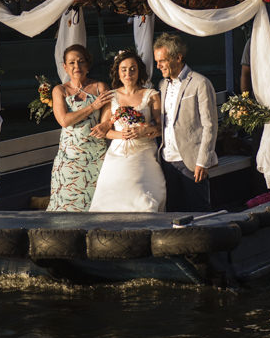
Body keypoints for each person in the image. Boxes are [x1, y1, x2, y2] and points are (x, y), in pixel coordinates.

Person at [88, 51, 165, 212]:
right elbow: (105, 130)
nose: (128, 73)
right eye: (124, 69)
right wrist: (121, 135)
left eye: (132, 69)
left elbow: (160, 128)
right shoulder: (111, 96)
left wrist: (144, 131)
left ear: (139, 71)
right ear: (118, 72)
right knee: (111, 196)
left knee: (141, 194)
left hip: (143, 150)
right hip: (118, 152)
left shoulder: (151, 95)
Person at [154, 33, 218, 212]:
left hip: (191, 162)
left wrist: (202, 161)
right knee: (173, 213)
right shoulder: (162, 84)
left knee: (200, 213)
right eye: (157, 61)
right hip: (167, 159)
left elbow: (209, 125)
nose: (158, 66)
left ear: (178, 57)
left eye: (162, 61)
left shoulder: (200, 83)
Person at [46, 44, 114, 212]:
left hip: (95, 157)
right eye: (72, 63)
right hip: (69, 158)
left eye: (81, 62)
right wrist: (92, 106)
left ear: (88, 65)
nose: (77, 67)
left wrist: (106, 123)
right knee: (65, 207)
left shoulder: (101, 87)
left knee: (96, 205)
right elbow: (64, 120)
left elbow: (107, 120)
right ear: (65, 67)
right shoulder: (60, 90)